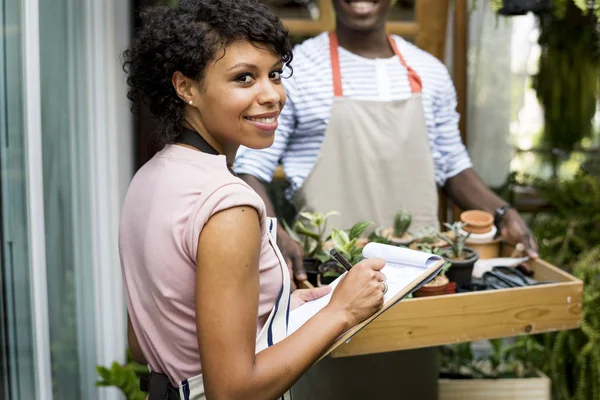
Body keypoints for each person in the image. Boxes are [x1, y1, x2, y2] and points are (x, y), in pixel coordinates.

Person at [234, 0, 539, 398]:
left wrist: (502, 213)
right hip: (329, 284)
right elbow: (250, 169)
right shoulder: (297, 71)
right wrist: (275, 234)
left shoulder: (429, 72)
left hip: (417, 286)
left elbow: (452, 167)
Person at [119, 1, 389, 399]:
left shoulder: (151, 177)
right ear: (186, 87)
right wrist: (340, 312)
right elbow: (232, 392)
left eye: (275, 74)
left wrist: (278, 310)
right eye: (244, 78)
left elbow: (145, 341)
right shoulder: (229, 205)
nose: (272, 95)